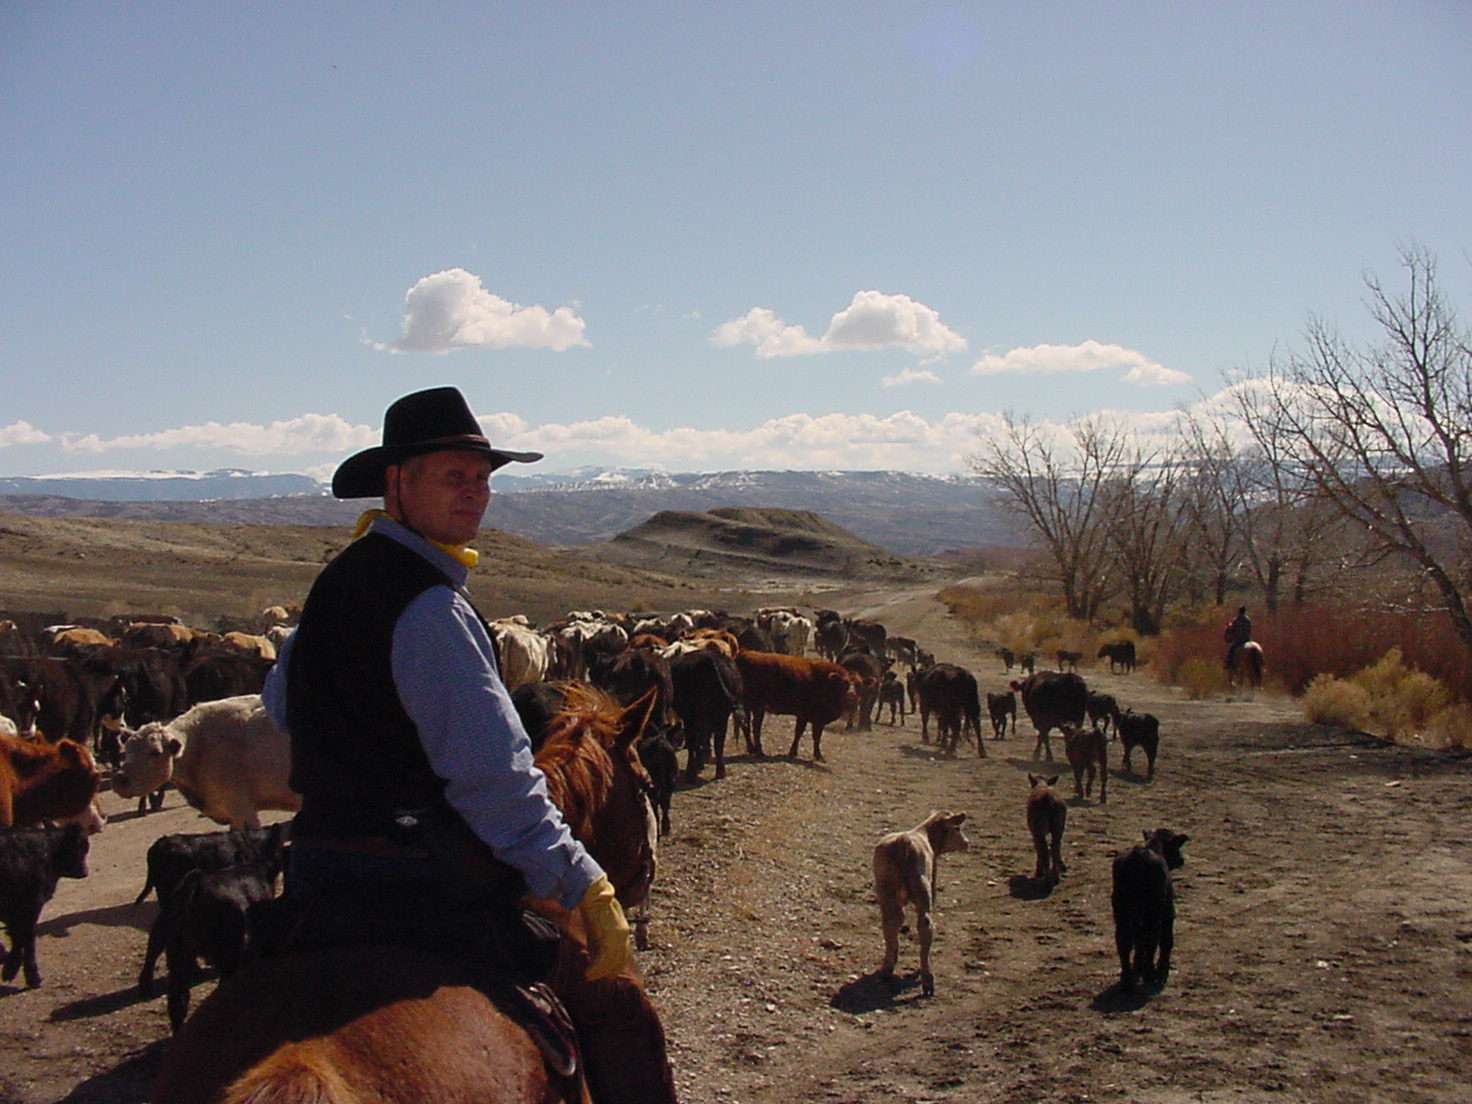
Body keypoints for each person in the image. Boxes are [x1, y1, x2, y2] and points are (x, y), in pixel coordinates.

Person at [261, 386, 635, 1065]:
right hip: (420, 883)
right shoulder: (431, 609)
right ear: (396, 483)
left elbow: (284, 706)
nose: (475, 493)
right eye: (453, 477)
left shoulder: (334, 584)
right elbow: (494, 781)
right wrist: (584, 884)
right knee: (619, 1021)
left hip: (318, 873)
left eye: (483, 480)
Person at [1224, 605, 1253, 670]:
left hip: (1238, 641)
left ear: (1239, 611)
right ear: (1245, 611)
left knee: (1231, 650)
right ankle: (1262, 663)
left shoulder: (1236, 620)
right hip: (1247, 640)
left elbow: (1232, 630)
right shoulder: (1248, 620)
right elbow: (1249, 630)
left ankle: (1228, 664)